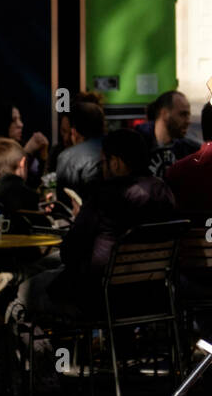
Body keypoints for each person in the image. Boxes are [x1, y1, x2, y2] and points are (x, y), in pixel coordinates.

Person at [16, 126, 176, 322]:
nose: (102, 169)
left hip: (101, 300)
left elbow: (70, 253)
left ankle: (46, 352)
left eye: (103, 163)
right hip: (154, 296)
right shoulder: (164, 192)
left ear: (116, 163)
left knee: (25, 291)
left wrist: (82, 220)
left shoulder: (105, 196)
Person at [140, 90, 199, 180]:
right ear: (164, 114)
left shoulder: (188, 150)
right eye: (183, 114)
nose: (188, 121)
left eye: (188, 115)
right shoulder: (138, 146)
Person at [54, 101, 106, 203]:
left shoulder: (67, 157)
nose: (65, 138)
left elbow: (64, 202)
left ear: (74, 132)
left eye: (66, 131)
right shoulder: (117, 147)